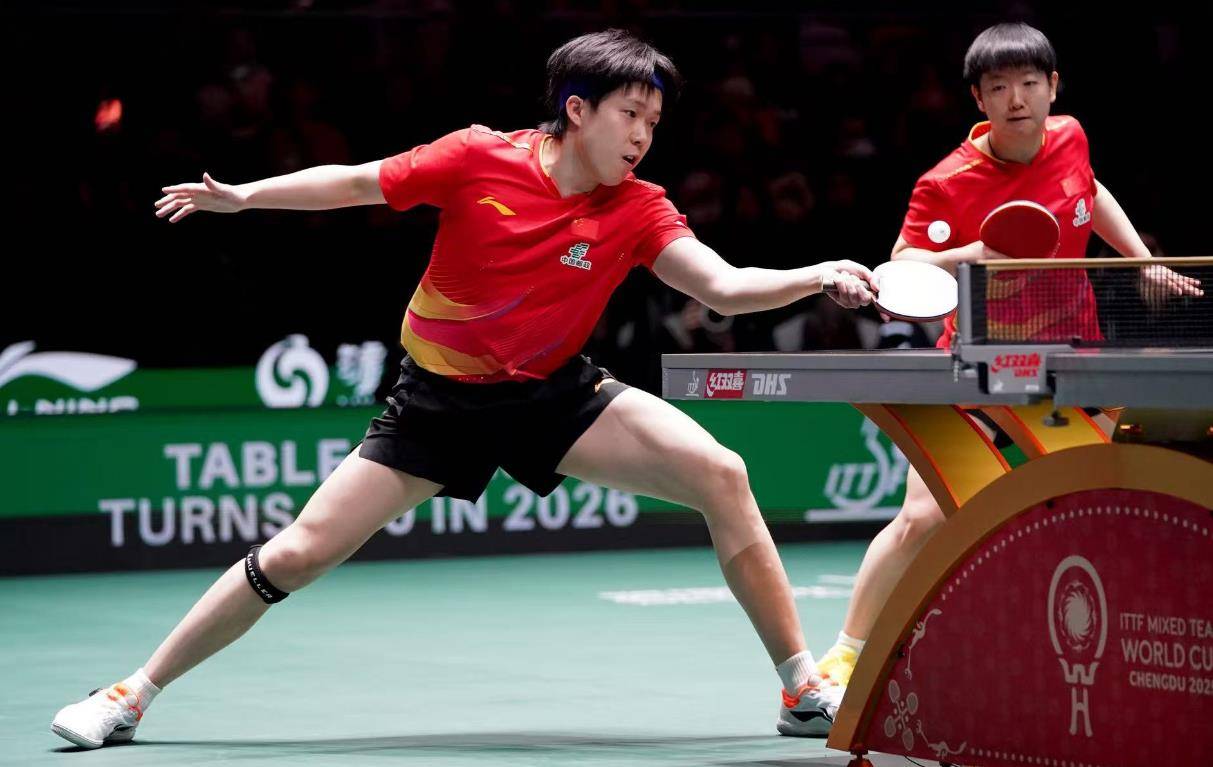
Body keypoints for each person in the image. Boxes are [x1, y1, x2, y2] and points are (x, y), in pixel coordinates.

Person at [52, 29, 879, 748]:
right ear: (577, 108)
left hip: (553, 395)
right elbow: (357, 181)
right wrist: (244, 199)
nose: (642, 136)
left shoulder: (637, 208)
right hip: (436, 405)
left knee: (721, 473)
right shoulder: (478, 156)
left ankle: (801, 690)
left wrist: (816, 274)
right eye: (630, 114)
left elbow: (722, 285)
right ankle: (129, 694)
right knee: (297, 552)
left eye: (653, 122)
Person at [814, 22, 1202, 701]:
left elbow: (1089, 190)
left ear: (1053, 86)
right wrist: (974, 255)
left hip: (1074, 362)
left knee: (1105, 502)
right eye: (998, 87)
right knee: (922, 518)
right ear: (978, 98)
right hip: (981, 365)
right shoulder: (945, 182)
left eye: (1028, 83)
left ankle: (1102, 651)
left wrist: (1139, 261)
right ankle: (843, 658)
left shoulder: (1070, 136)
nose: (1016, 99)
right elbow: (900, 265)